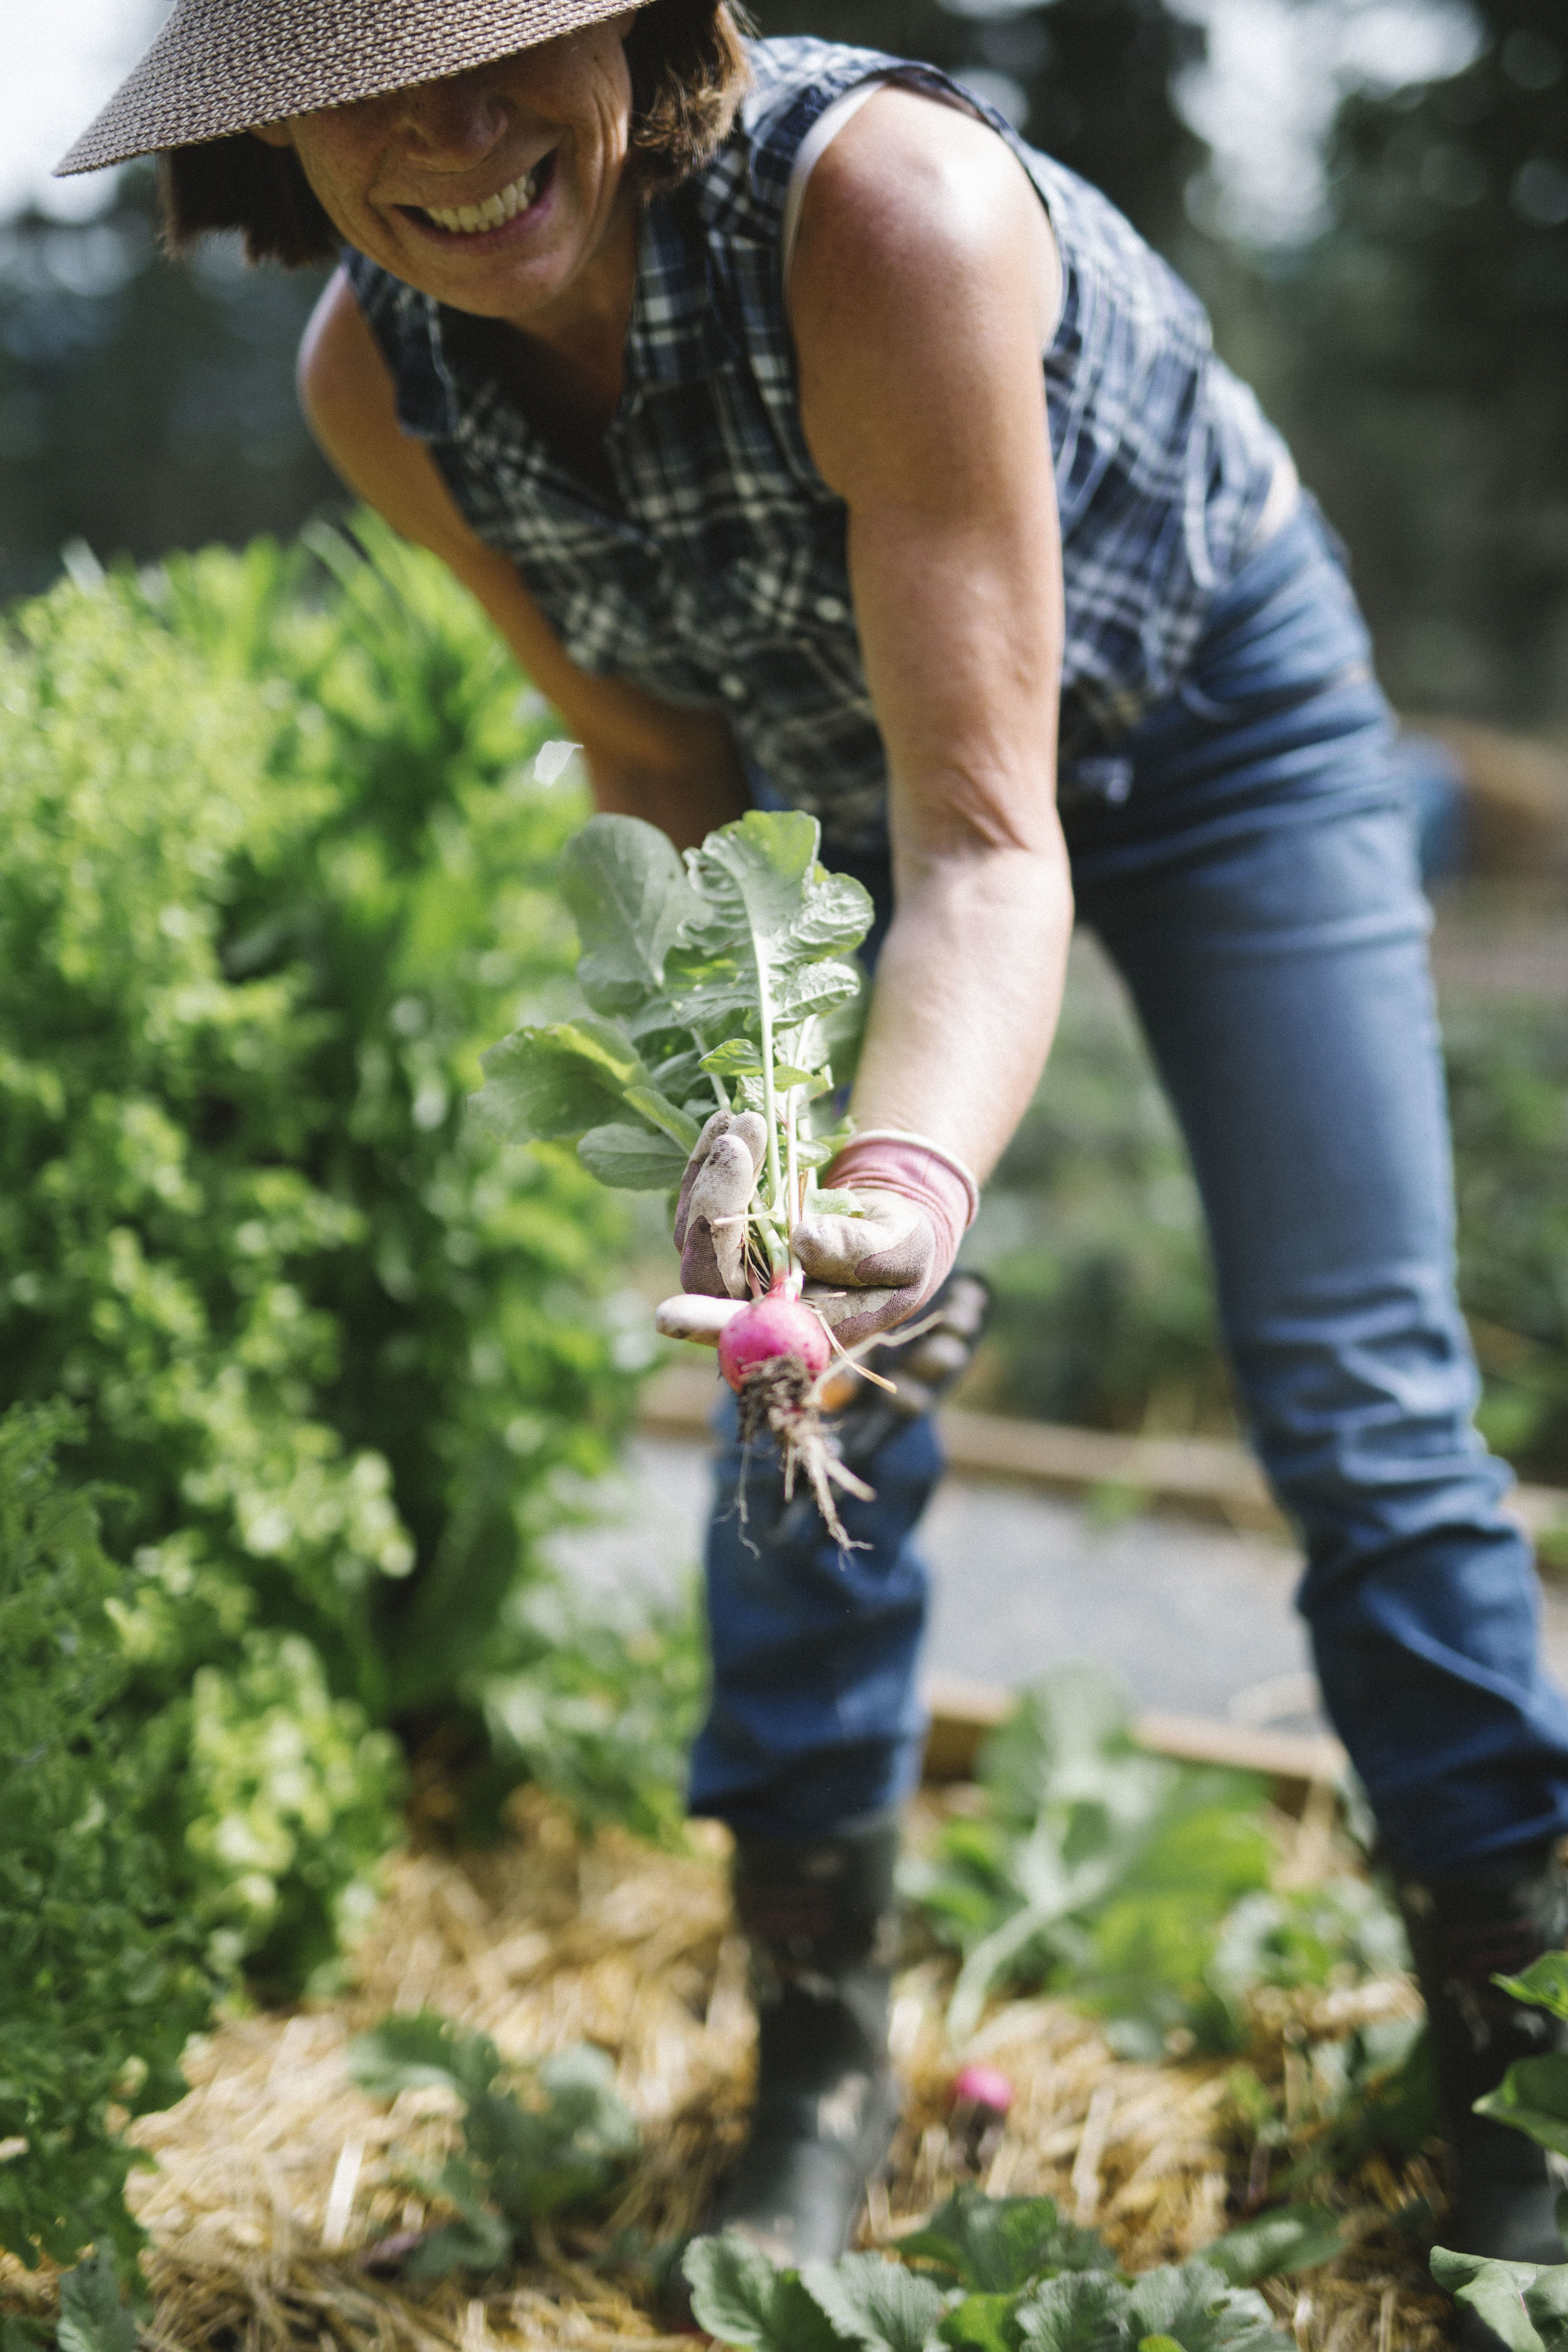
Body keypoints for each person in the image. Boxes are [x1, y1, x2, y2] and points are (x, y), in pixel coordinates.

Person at [61, 0, 1568, 2287]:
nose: (448, 131)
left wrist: (905, 1188)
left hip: (1209, 724)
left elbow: (988, 840)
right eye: (365, 72)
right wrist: (750, 1137)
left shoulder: (883, 215)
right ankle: (820, 2050)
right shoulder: (380, 384)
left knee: (1351, 1389)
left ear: (635, 25)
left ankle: (1516, 2055)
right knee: (797, 1384)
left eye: (503, 36)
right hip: (822, 782)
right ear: (269, 124)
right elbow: (664, 774)